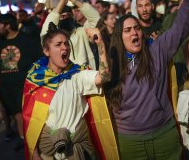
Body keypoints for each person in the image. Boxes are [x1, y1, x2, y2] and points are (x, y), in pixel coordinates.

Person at [103, 0, 189, 159]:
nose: (134, 33)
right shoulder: (112, 64)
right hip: (130, 141)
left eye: (137, 28)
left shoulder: (156, 49)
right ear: (119, 37)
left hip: (164, 134)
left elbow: (180, 29)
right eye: (127, 30)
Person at [22, 24, 118, 159]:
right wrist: (35, 153)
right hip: (48, 154)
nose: (65, 47)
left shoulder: (77, 74)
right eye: (58, 44)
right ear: (46, 51)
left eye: (67, 44)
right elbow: (30, 121)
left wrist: (100, 45)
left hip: (77, 151)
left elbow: (104, 76)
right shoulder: (36, 80)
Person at [0, 13, 41, 151]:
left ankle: (36, 142)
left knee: (29, 115)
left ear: (8, 26)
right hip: (6, 88)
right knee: (17, 115)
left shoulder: (27, 40)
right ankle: (24, 140)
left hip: (26, 86)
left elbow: (39, 61)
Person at [41, 0, 100, 70]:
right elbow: (47, 26)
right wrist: (62, 1)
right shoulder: (52, 37)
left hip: (86, 77)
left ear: (72, 17)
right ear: (57, 19)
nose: (65, 18)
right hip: (63, 78)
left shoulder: (81, 31)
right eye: (62, 17)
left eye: (68, 16)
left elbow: (95, 18)